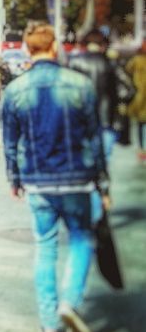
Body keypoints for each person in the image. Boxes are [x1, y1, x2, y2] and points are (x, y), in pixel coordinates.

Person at [2, 21, 107, 332]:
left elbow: (10, 143)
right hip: (78, 180)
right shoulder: (79, 84)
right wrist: (104, 185)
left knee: (45, 248)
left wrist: (14, 179)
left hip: (37, 182)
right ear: (54, 46)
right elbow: (94, 139)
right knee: (81, 239)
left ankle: (49, 326)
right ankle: (69, 302)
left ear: (27, 49)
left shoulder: (15, 90)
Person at [68, 30, 121, 217]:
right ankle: (98, 214)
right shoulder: (110, 64)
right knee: (102, 165)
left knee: (82, 163)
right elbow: (129, 90)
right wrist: (114, 102)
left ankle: (85, 210)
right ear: (103, 45)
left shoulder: (74, 63)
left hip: (80, 122)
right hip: (105, 121)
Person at [126, 40, 146, 161]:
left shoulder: (136, 60)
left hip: (139, 96)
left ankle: (141, 148)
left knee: (139, 124)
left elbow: (127, 69)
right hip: (141, 97)